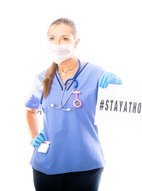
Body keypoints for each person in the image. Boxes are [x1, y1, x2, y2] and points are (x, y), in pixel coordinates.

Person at [25, 18, 122, 191]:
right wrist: (34, 137)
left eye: (65, 39)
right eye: (52, 38)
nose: (58, 44)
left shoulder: (96, 74)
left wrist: (119, 87)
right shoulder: (40, 79)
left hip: (86, 165)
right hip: (47, 164)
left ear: (76, 42)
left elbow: (120, 108)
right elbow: (30, 111)